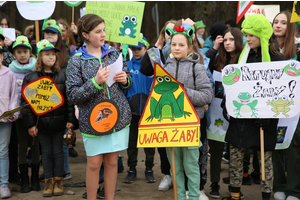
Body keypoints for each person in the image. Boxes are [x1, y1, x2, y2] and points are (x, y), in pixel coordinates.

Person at [66, 14, 132, 200]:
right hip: (93, 120)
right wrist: (95, 82)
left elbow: (128, 81)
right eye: (98, 31)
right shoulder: (76, 61)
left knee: (112, 161)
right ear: (85, 35)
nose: (103, 34)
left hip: (118, 117)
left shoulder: (115, 53)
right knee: (94, 163)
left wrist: (125, 80)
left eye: (104, 30)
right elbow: (73, 95)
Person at [221, 14, 286, 200]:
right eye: (246, 34)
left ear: (262, 34)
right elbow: (233, 85)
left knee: (265, 161)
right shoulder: (243, 58)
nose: (247, 38)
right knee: (235, 157)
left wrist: (269, 115)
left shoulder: (277, 59)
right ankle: (234, 195)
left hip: (264, 123)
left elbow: (282, 93)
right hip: (240, 120)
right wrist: (228, 106)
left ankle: (266, 197)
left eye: (251, 35)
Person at [21, 39, 76, 197]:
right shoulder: (31, 78)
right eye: (47, 54)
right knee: (45, 152)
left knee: (58, 152)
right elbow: (27, 104)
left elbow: (69, 101)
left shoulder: (62, 76)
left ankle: (59, 182)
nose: (51, 57)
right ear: (39, 57)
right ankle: (48, 182)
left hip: (59, 123)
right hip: (41, 123)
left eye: (53, 55)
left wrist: (70, 120)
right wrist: (31, 125)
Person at [163, 24, 213, 200]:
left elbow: (207, 95)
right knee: (175, 168)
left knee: (191, 166)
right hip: (169, 126)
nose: (177, 48)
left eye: (181, 45)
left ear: (190, 47)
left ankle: (193, 197)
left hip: (191, 125)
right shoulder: (164, 69)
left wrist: (183, 91)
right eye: (173, 44)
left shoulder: (197, 68)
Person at [205, 27, 244, 199]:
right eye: (225, 40)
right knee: (215, 149)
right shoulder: (217, 59)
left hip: (237, 113)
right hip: (216, 112)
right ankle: (214, 183)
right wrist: (214, 47)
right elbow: (203, 63)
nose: (228, 43)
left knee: (236, 152)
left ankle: (235, 186)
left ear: (238, 41)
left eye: (231, 40)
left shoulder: (244, 60)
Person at [140, 20, 176, 191]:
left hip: (178, 102)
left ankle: (181, 176)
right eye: (167, 31)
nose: (170, 34)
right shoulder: (158, 52)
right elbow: (146, 70)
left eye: (173, 31)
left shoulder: (183, 50)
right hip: (161, 102)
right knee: (163, 142)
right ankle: (167, 174)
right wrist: (155, 49)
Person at [271, 11, 300, 200]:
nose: (278, 25)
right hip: (271, 106)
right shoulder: (266, 48)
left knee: (294, 147)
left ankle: (294, 190)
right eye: (275, 22)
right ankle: (279, 186)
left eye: (283, 22)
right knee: (275, 145)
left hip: (295, 107)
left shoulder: (298, 48)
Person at [123, 33, 156, 184]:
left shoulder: (153, 66)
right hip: (132, 111)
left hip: (149, 111)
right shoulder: (127, 66)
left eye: (139, 48)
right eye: (133, 49)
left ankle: (149, 169)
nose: (136, 51)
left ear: (146, 48)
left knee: (149, 142)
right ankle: (132, 169)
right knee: (132, 142)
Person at [8, 36, 40, 193]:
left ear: (30, 52)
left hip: (35, 114)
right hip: (19, 115)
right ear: (14, 53)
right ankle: (24, 178)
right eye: (19, 52)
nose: (22, 55)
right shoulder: (10, 71)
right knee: (21, 145)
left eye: (25, 51)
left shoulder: (36, 69)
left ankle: (35, 177)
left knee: (34, 145)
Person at [0, 45, 19, 199]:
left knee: (3, 150)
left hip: (5, 119)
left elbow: (14, 97)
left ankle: (3, 183)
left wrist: (14, 113)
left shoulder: (9, 73)